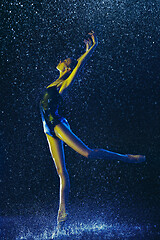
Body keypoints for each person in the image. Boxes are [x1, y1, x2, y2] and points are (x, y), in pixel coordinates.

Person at [40, 31, 145, 229]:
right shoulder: (55, 81)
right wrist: (85, 50)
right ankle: (62, 214)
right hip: (48, 128)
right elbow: (76, 63)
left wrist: (93, 48)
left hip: (56, 124)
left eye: (64, 60)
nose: (60, 60)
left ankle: (126, 157)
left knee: (88, 153)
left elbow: (78, 66)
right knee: (61, 172)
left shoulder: (63, 84)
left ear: (67, 67)